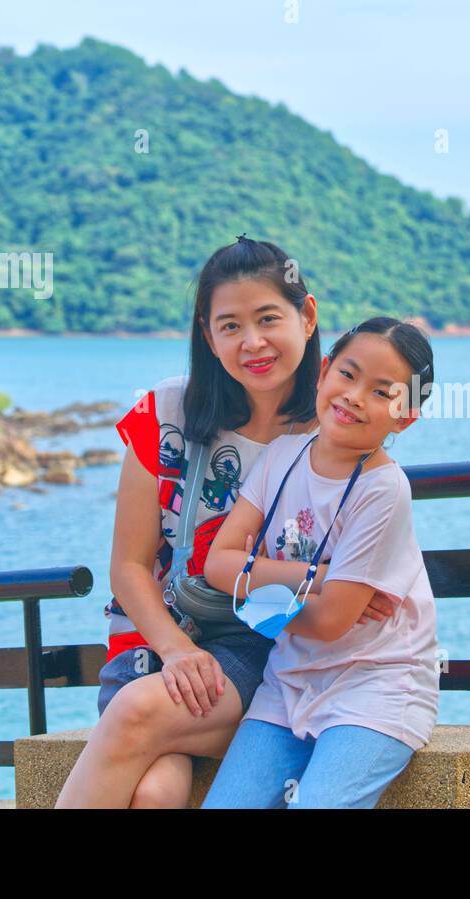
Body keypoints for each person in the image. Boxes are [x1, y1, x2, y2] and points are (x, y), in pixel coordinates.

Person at [55, 237, 394, 808]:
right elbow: (130, 566)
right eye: (230, 326)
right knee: (158, 794)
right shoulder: (166, 415)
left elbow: (360, 566)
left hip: (273, 653)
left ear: (307, 318)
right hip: (156, 641)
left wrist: (336, 581)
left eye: (268, 319)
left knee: (140, 713)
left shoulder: (336, 434)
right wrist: (177, 650)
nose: (252, 343)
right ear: (208, 337)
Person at [199, 316, 440, 809]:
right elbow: (216, 564)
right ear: (324, 371)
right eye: (347, 375)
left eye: (382, 392)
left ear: (405, 416)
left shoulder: (384, 489)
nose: (353, 397)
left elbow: (331, 622)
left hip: (377, 687)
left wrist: (256, 574)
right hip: (287, 682)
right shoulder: (282, 456)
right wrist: (323, 577)